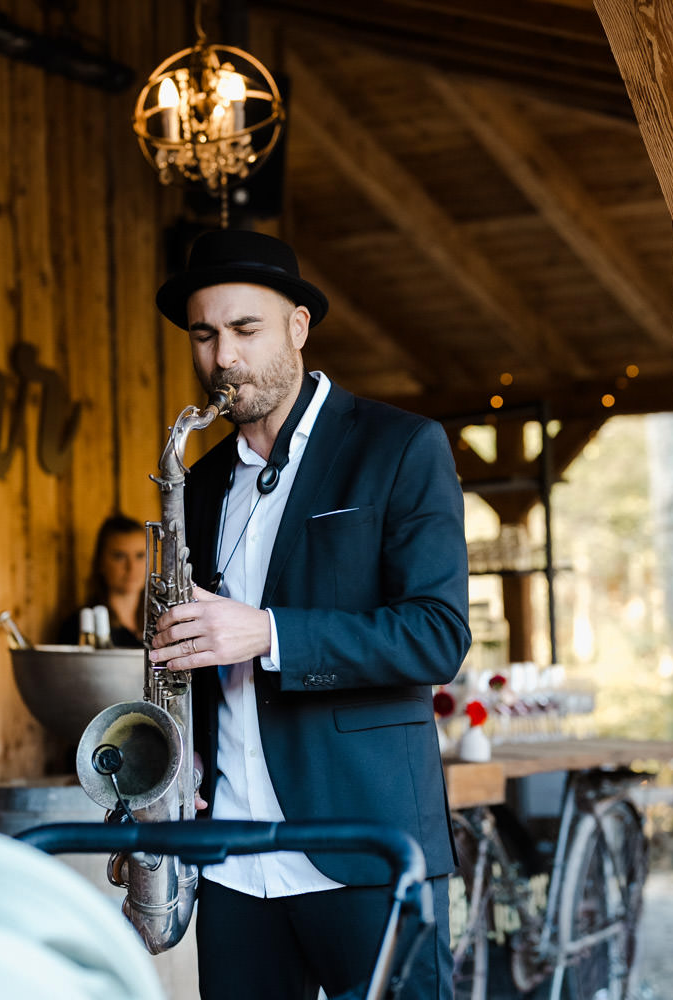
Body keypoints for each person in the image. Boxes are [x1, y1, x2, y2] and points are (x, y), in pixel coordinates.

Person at [147, 229, 470, 1000]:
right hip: (229, 855)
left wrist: (268, 633)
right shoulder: (201, 478)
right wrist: (179, 754)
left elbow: (437, 635)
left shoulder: (399, 447)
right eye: (205, 335)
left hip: (364, 844)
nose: (223, 358)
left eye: (245, 330)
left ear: (298, 327)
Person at [58, 514, 148, 649]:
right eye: (119, 556)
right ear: (101, 562)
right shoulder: (80, 627)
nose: (131, 567)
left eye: (140, 556)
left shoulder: (160, 622)